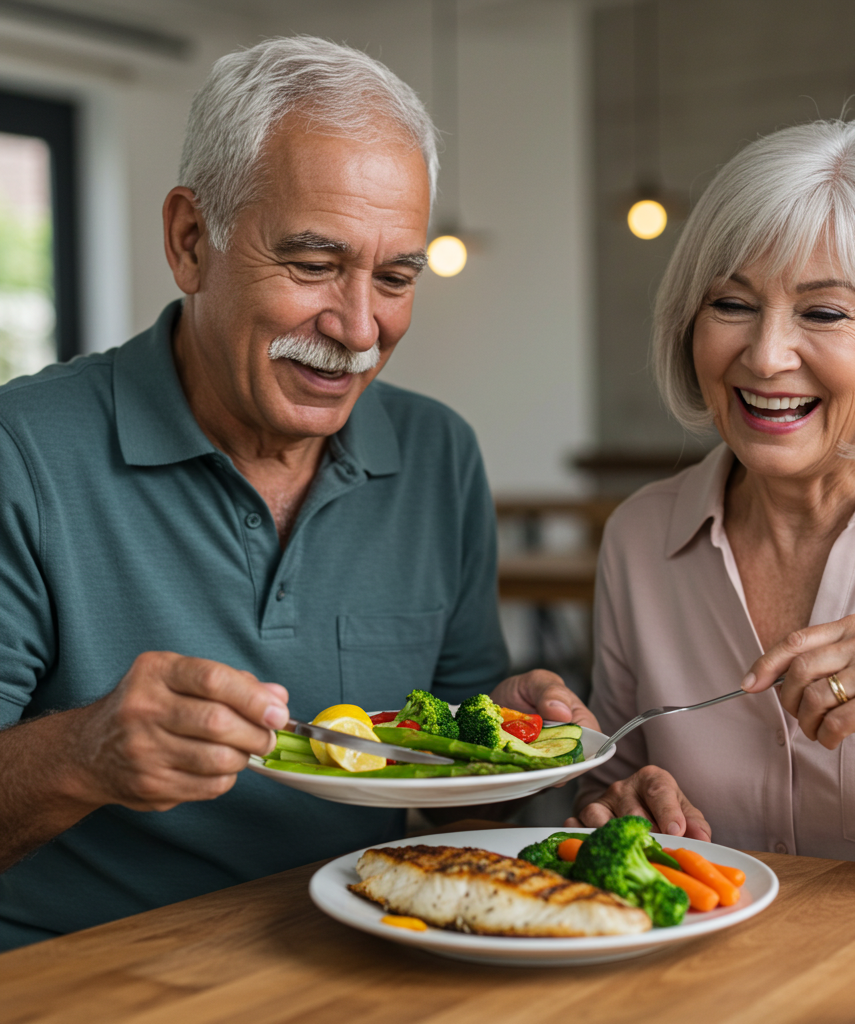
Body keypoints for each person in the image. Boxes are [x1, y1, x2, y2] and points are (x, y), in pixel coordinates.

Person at [0, 36, 595, 951]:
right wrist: (86, 755)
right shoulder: (21, 451)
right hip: (83, 980)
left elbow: (457, 820)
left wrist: (515, 756)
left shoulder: (439, 454)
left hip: (360, 961)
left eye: (395, 277)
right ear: (191, 241)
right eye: (314, 264)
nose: (360, 328)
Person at [571, 118, 855, 878]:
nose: (765, 354)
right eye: (732, 304)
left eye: (823, 312)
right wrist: (616, 802)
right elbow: (605, 788)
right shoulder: (641, 536)